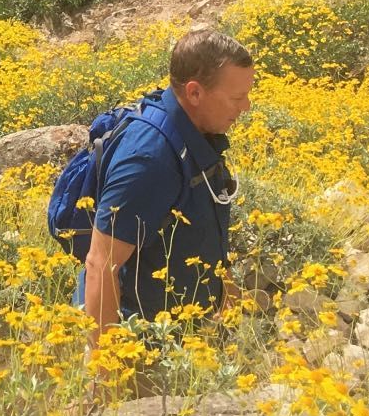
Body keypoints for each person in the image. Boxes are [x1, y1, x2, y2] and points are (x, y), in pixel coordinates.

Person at [80, 27, 253, 332]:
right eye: (237, 97)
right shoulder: (149, 158)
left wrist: (226, 291)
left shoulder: (196, 130)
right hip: (142, 343)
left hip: (188, 334)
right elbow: (100, 264)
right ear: (194, 93)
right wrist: (103, 373)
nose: (246, 107)